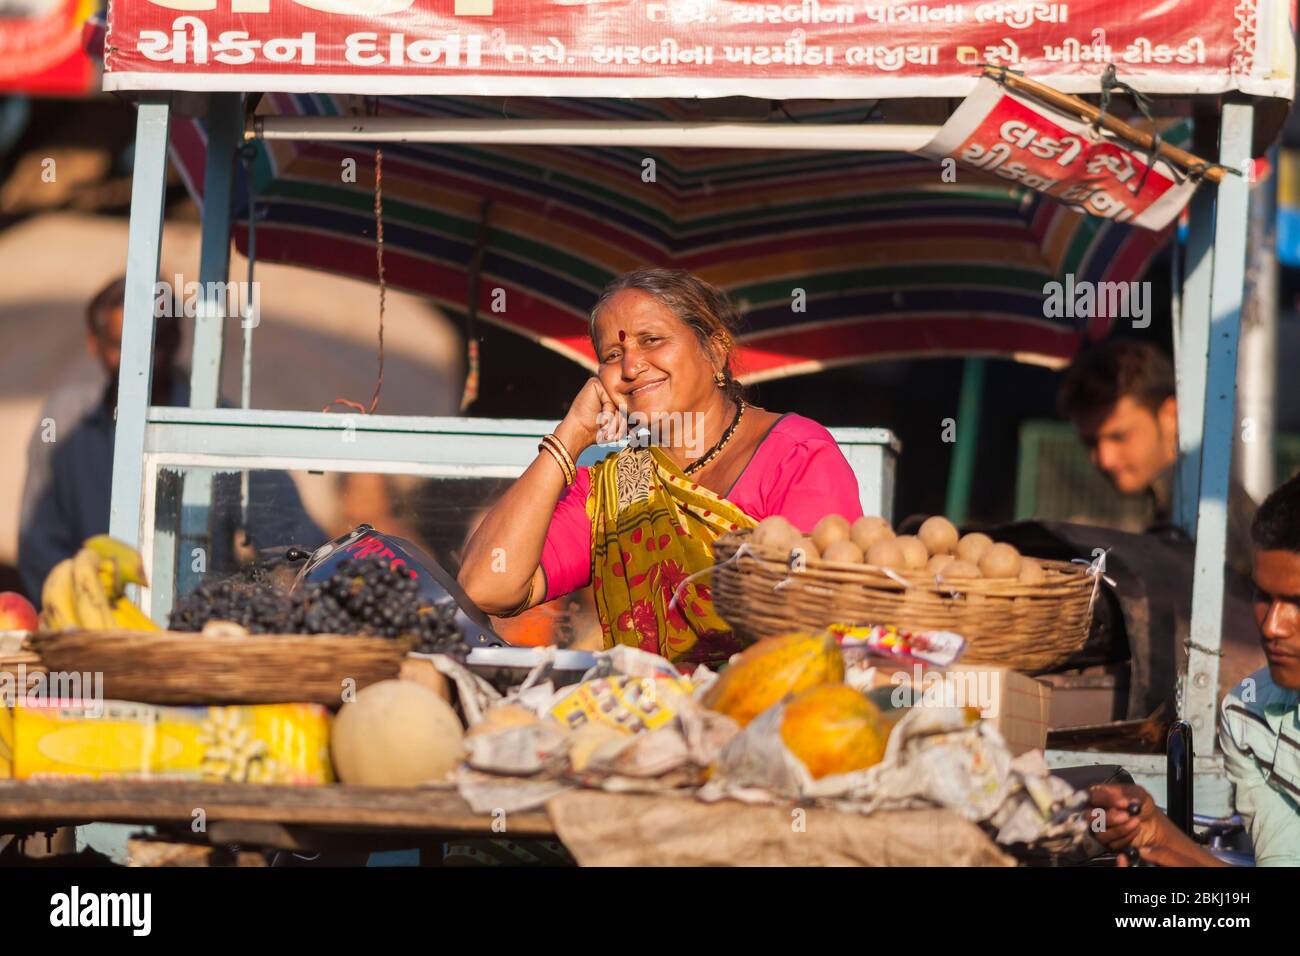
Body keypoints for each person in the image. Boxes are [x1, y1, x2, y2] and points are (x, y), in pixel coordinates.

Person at [458, 268, 863, 668]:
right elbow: (486, 586)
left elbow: (816, 623)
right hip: (650, 720)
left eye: (652, 341)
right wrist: (570, 437)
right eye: (613, 356)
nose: (631, 367)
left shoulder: (795, 454)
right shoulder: (613, 489)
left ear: (716, 351)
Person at [19, 276, 322, 600]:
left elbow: (296, 543)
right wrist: (86, 607)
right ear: (94, 343)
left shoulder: (221, 425)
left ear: (177, 339)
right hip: (91, 628)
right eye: (123, 346)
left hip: (194, 632)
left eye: (156, 343)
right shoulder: (63, 422)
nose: (142, 361)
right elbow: (39, 546)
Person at [1089, 470, 1300, 866]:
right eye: (1263, 596)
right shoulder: (1249, 718)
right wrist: (1159, 839)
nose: (1273, 626)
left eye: (1298, 602)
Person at [1057, 339, 1256, 572]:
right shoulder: (1176, 500)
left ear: (1170, 416)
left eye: (1119, 436)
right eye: (1090, 442)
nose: (1104, 458)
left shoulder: (1207, 508)